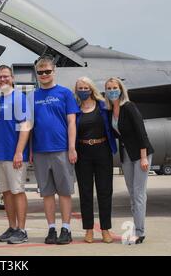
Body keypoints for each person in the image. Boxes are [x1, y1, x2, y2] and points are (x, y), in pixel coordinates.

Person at [31, 55, 79, 245]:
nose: (44, 75)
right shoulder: (32, 96)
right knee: (47, 193)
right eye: (40, 72)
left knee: (65, 192)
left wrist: (72, 147)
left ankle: (66, 229)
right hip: (40, 151)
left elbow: (72, 122)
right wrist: (30, 151)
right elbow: (28, 126)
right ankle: (51, 228)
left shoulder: (65, 93)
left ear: (54, 71)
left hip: (61, 149)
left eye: (47, 71)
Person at [104, 77, 154, 245]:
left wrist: (143, 157)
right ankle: (136, 229)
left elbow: (141, 132)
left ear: (121, 89)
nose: (112, 90)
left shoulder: (129, 107)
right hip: (126, 155)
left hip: (141, 154)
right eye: (109, 88)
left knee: (139, 194)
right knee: (132, 194)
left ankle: (140, 232)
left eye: (114, 87)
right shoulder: (111, 110)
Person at [74, 77, 117, 243]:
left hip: (102, 150)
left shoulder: (103, 106)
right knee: (85, 192)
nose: (83, 90)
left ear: (91, 89)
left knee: (105, 191)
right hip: (83, 152)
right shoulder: (75, 108)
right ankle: (89, 230)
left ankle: (105, 229)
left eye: (86, 87)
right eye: (80, 88)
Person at [0, 65, 31, 245]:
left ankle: (22, 230)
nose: (2, 79)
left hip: (14, 154)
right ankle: (12, 227)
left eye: (5, 76)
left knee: (17, 191)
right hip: (0, 155)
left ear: (13, 78)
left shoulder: (19, 97)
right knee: (6, 193)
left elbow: (25, 126)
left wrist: (18, 152)